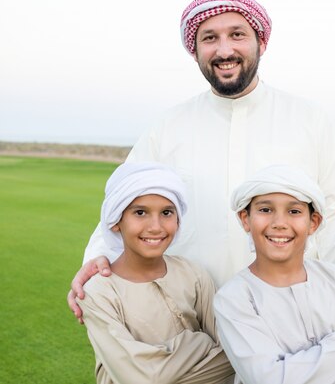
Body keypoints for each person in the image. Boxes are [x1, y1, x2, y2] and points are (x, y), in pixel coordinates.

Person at [69, 0, 335, 320]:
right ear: (195, 50)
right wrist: (96, 259)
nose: (224, 49)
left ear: (260, 42)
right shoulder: (167, 126)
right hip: (187, 314)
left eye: (237, 35)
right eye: (210, 38)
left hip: (291, 314)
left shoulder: (308, 119)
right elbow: (123, 205)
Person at [214, 165, 335, 384]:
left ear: (313, 222)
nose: (279, 223)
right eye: (265, 210)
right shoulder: (233, 298)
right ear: (245, 219)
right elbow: (268, 379)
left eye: (294, 211)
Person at [77, 162, 235, 384]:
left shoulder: (194, 275)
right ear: (115, 221)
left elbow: (232, 355)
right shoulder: (99, 292)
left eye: (167, 213)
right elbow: (138, 378)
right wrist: (198, 341)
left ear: (178, 219)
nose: (155, 226)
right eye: (140, 212)